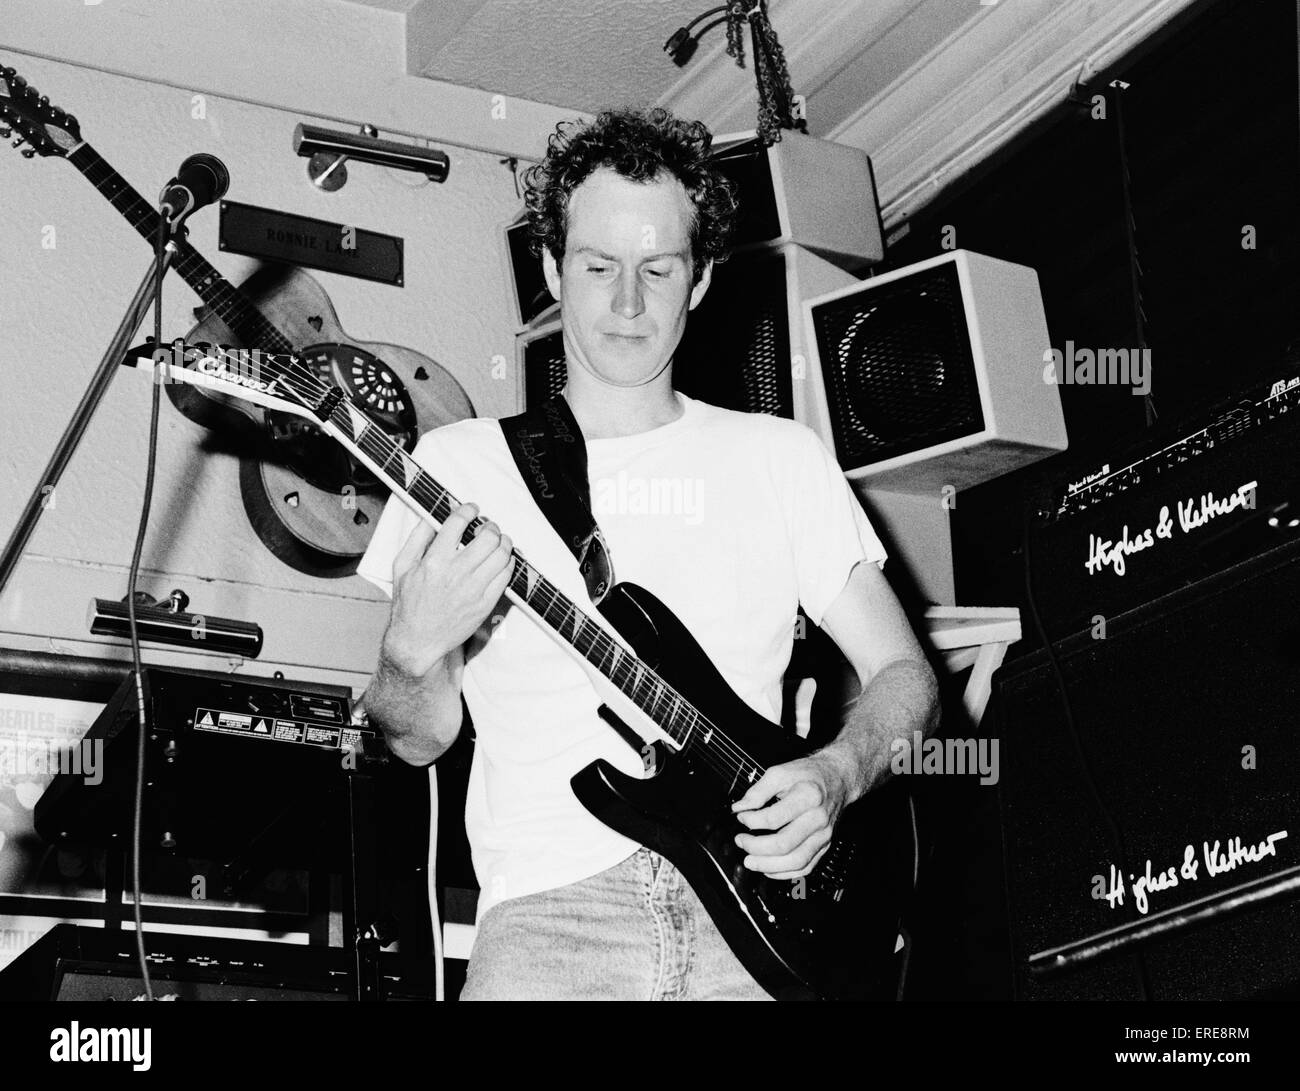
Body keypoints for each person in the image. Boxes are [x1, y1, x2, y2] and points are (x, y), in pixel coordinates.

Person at [357, 107, 940, 1001]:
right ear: (553, 269)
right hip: (549, 926)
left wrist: (837, 770)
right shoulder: (458, 469)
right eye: (597, 267)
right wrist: (409, 649)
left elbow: (905, 674)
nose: (628, 302)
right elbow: (418, 735)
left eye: (658, 268)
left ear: (699, 280)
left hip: (761, 917)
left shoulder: (779, 457)